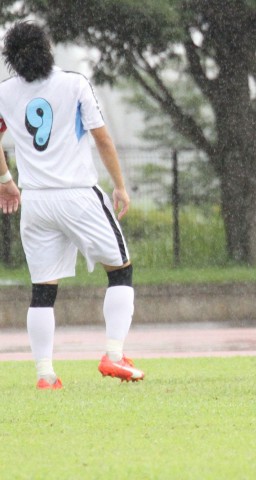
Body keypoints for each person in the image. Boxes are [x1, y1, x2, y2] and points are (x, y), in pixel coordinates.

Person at [0, 22, 144, 389]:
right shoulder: (73, 83)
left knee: (43, 291)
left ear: (12, 58)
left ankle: (45, 374)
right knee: (121, 271)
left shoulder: (5, 93)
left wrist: (6, 182)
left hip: (35, 201)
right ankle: (114, 355)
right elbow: (102, 139)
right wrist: (120, 186)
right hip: (78, 193)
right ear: (47, 50)